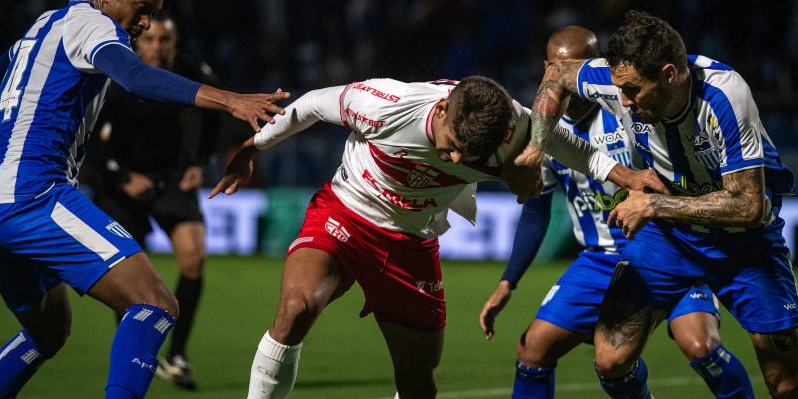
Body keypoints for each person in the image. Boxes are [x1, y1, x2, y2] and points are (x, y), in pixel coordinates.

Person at [209, 75, 668, 399]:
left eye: (463, 154)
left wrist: (627, 175)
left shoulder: (515, 127)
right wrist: (254, 147)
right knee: (295, 310)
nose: (450, 155)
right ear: (443, 107)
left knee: (418, 384)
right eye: (449, 142)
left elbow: (569, 145)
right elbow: (310, 105)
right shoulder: (385, 104)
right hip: (346, 216)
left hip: (411, 244)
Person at [0, 0, 289, 399]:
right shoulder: (92, 25)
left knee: (48, 331)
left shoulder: (44, 25)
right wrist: (230, 100)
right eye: (142, 11)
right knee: (154, 303)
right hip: (34, 195)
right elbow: (134, 76)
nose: (146, 25)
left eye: (153, 16)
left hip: (6, 199)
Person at [515, 11, 798, 398]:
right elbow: (558, 73)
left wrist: (652, 206)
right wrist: (536, 146)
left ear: (669, 75)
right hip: (669, 238)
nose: (624, 102)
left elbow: (747, 205)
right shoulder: (614, 82)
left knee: (784, 383)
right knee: (611, 360)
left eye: (633, 90)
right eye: (620, 90)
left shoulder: (724, 96)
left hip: (744, 241)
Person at [89, 15, 221, 390]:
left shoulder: (189, 69)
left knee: (194, 257)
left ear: (176, 41)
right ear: (137, 42)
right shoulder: (116, 75)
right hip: (122, 179)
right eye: (151, 39)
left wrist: (200, 161)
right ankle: (134, 358)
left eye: (167, 39)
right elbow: (91, 139)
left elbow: (214, 112)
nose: (159, 47)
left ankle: (177, 356)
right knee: (129, 278)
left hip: (170, 175)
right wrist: (122, 177)